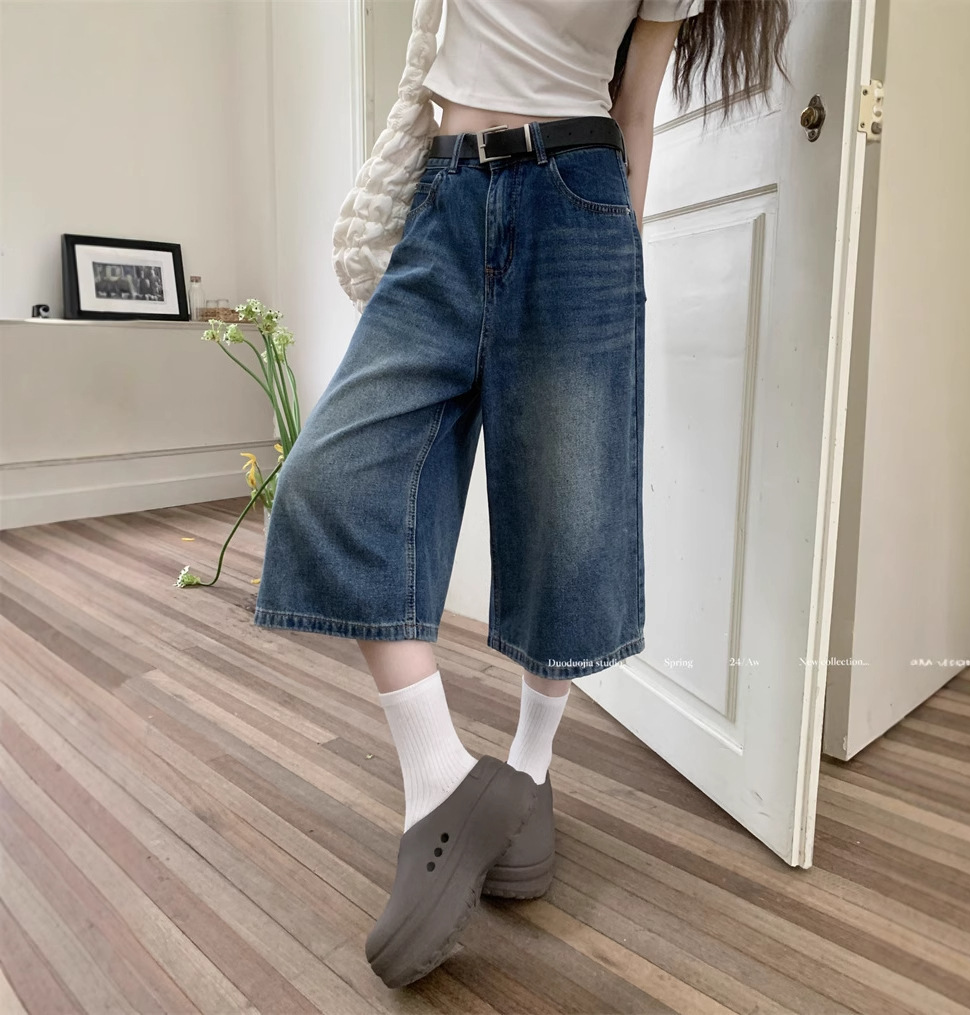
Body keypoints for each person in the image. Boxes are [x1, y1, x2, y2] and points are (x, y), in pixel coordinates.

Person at [253, 0, 789, 989]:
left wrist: (613, 259)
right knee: (328, 480)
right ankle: (443, 782)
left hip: (574, 197)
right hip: (444, 191)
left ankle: (531, 772)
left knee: (566, 513)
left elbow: (636, 107)